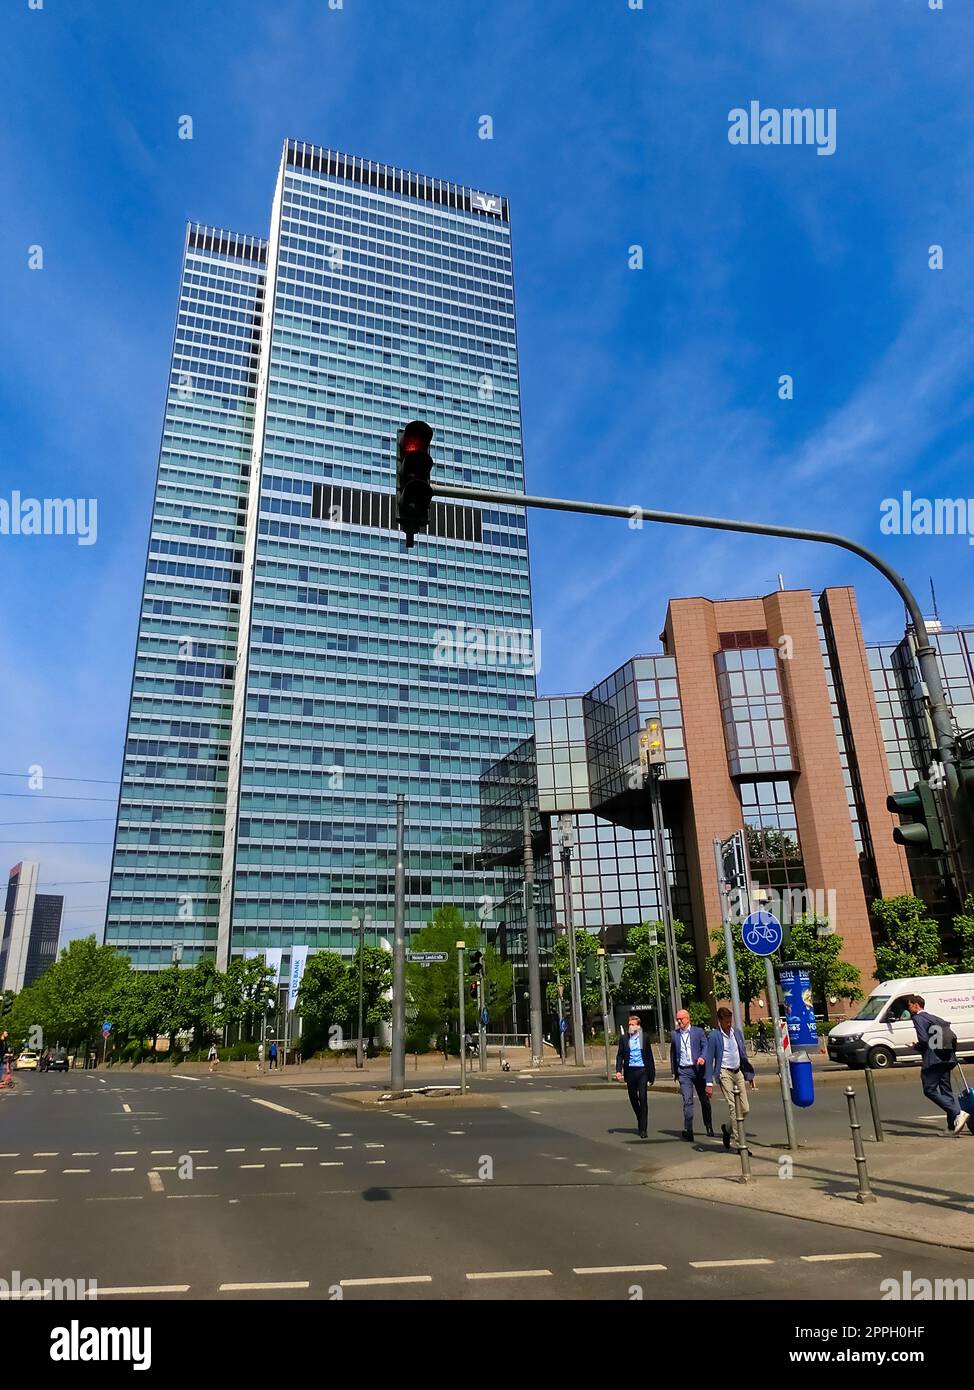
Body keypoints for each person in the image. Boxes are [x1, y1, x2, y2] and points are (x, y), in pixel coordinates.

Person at [906, 994, 969, 1134]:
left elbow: (923, 1040)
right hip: (947, 1058)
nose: (909, 1008)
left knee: (929, 1089)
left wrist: (915, 1047)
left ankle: (958, 1112)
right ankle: (952, 1127)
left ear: (916, 1005)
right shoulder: (934, 1018)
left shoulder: (918, 1018)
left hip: (933, 1060)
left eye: (909, 1005)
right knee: (946, 1090)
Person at [705, 1007, 756, 1150]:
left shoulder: (736, 1033)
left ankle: (727, 1129)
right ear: (719, 1021)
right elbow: (709, 1059)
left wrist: (749, 1075)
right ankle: (741, 1144)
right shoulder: (715, 1036)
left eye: (730, 1021)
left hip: (738, 1071)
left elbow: (743, 1055)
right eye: (726, 1022)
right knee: (734, 1107)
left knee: (745, 1108)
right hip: (724, 1072)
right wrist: (709, 1082)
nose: (728, 1024)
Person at [670, 1009, 714, 1141]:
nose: (679, 1022)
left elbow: (705, 1046)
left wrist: (702, 1057)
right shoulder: (675, 1035)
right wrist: (675, 1072)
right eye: (677, 1019)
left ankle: (708, 1125)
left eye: (681, 1019)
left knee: (704, 1099)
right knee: (687, 1100)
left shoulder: (698, 1032)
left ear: (688, 1019)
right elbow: (673, 1054)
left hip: (698, 1070)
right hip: (684, 1071)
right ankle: (688, 1129)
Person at [615, 1014, 655, 1139]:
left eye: (633, 1025)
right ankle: (640, 1117)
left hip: (642, 1070)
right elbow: (620, 1055)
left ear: (638, 1026)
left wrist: (651, 1075)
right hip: (630, 1071)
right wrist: (618, 1070)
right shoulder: (624, 1039)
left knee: (642, 1097)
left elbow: (649, 1056)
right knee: (633, 1098)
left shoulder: (644, 1037)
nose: (630, 1027)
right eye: (629, 1025)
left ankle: (643, 1128)